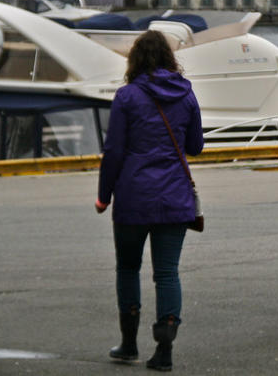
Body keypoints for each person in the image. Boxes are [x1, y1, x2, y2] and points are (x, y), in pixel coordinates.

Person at [95, 30, 203, 371]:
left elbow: (113, 152)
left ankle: (128, 344)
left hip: (133, 197)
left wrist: (103, 195)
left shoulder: (127, 96)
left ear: (135, 60)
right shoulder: (186, 94)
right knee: (167, 273)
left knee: (128, 269)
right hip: (174, 198)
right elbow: (195, 146)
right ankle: (164, 352)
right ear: (170, 59)